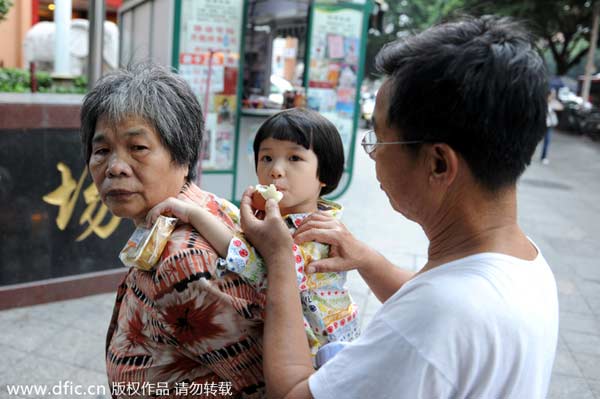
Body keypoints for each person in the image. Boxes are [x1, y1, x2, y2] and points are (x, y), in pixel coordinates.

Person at [238, 16, 559, 399]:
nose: (372, 154)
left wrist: (279, 260)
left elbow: (292, 393)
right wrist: (369, 260)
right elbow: (426, 293)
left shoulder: (436, 318)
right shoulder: (523, 263)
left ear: (438, 163)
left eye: (380, 139)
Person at [80, 63, 266, 398]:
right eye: (102, 150)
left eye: (137, 148)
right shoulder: (201, 206)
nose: (115, 168)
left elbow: (257, 381)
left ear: (182, 155)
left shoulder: (181, 263)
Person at [146, 108, 360, 364]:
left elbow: (254, 265)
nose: (276, 170)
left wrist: (193, 215)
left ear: (324, 173)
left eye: (294, 158)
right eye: (267, 157)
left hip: (316, 355)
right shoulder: (281, 216)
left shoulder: (314, 233)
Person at [541, 89, 563, 164]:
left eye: (554, 95)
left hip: (549, 125)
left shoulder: (553, 103)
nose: (553, 96)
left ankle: (544, 157)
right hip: (542, 124)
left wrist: (553, 102)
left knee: (547, 141)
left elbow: (561, 107)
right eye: (552, 94)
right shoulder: (543, 102)